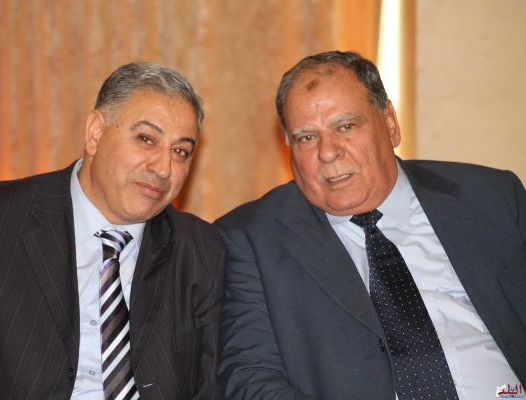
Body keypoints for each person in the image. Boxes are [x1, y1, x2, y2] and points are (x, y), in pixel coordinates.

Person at [215, 51, 526, 399]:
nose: (328, 152)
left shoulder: (493, 197)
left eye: (346, 126)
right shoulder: (250, 239)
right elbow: (249, 378)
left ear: (390, 123)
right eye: (306, 137)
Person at [0, 62, 224, 399]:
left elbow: (210, 388)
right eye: (146, 139)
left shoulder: (201, 249)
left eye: (180, 151)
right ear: (95, 133)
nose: (164, 167)